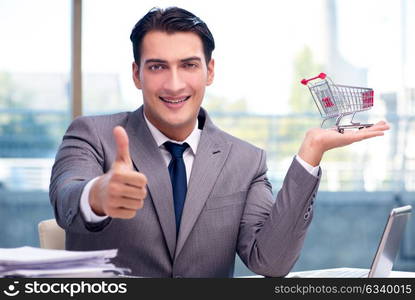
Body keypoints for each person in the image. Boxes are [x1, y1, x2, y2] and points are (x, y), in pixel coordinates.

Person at [49, 7, 389, 278]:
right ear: (136, 74)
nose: (174, 83)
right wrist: (97, 195)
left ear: (209, 71)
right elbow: (68, 196)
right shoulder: (92, 134)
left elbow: (269, 262)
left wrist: (311, 153)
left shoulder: (245, 161)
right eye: (157, 67)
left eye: (189, 65)